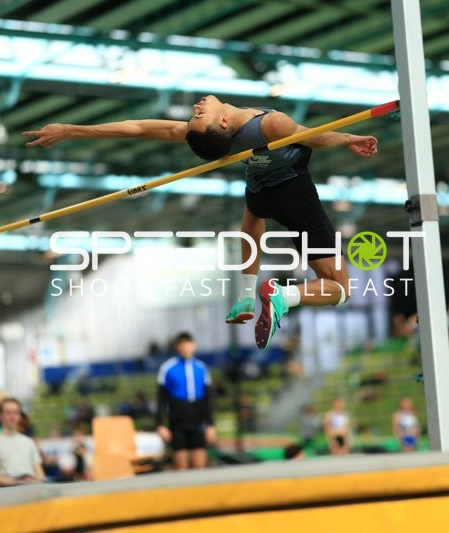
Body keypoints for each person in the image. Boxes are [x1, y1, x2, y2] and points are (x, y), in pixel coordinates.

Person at [23, 95, 378, 349]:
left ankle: (244, 298)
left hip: (260, 194)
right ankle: (284, 295)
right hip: (295, 197)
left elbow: (137, 127)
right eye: (199, 115)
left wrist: (71, 130)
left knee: (252, 217)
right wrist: (348, 137)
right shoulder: (272, 124)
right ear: (223, 122)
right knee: (340, 289)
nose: (196, 109)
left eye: (195, 114)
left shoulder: (217, 137)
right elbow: (317, 136)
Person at [155, 332, 217, 470]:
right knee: (181, 468)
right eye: (182, 345)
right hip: (178, 423)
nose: (186, 348)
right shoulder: (167, 368)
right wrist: (160, 424)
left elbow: (208, 400)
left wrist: (210, 424)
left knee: (200, 467)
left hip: (198, 422)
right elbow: (161, 399)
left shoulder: (202, 368)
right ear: (177, 347)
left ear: (194, 346)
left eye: (188, 344)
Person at [0, 398, 45, 487]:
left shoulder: (29, 442)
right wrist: (18, 482)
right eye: (8, 413)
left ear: (19, 415)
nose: (12, 417)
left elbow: (40, 474)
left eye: (15, 413)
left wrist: (30, 480)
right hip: (7, 492)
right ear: (0, 415)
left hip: (31, 488)